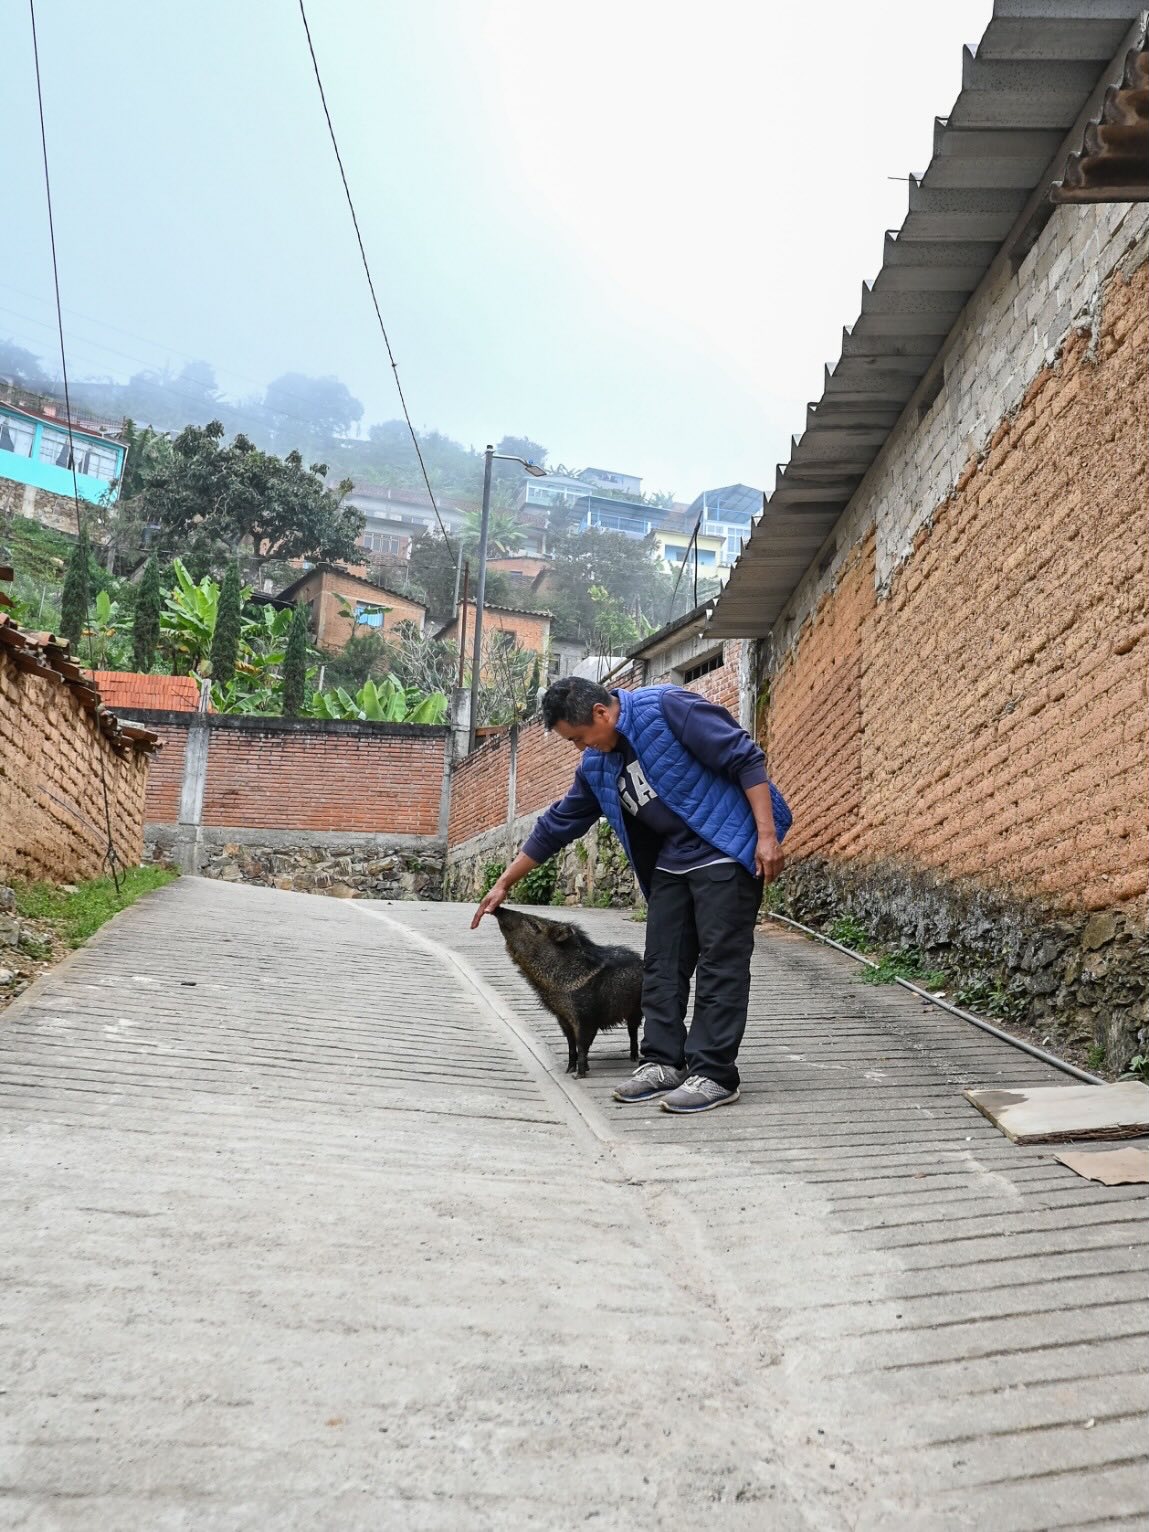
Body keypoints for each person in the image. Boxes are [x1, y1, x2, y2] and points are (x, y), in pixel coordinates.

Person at [471, 676, 791, 1114]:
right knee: (661, 965)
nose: (580, 748)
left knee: (721, 963)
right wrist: (506, 881)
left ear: (602, 713)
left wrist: (767, 836)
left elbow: (744, 758)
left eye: (580, 738)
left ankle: (715, 1074)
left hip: (724, 850)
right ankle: (662, 1062)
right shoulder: (596, 767)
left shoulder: (667, 707)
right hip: (672, 864)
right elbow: (558, 824)